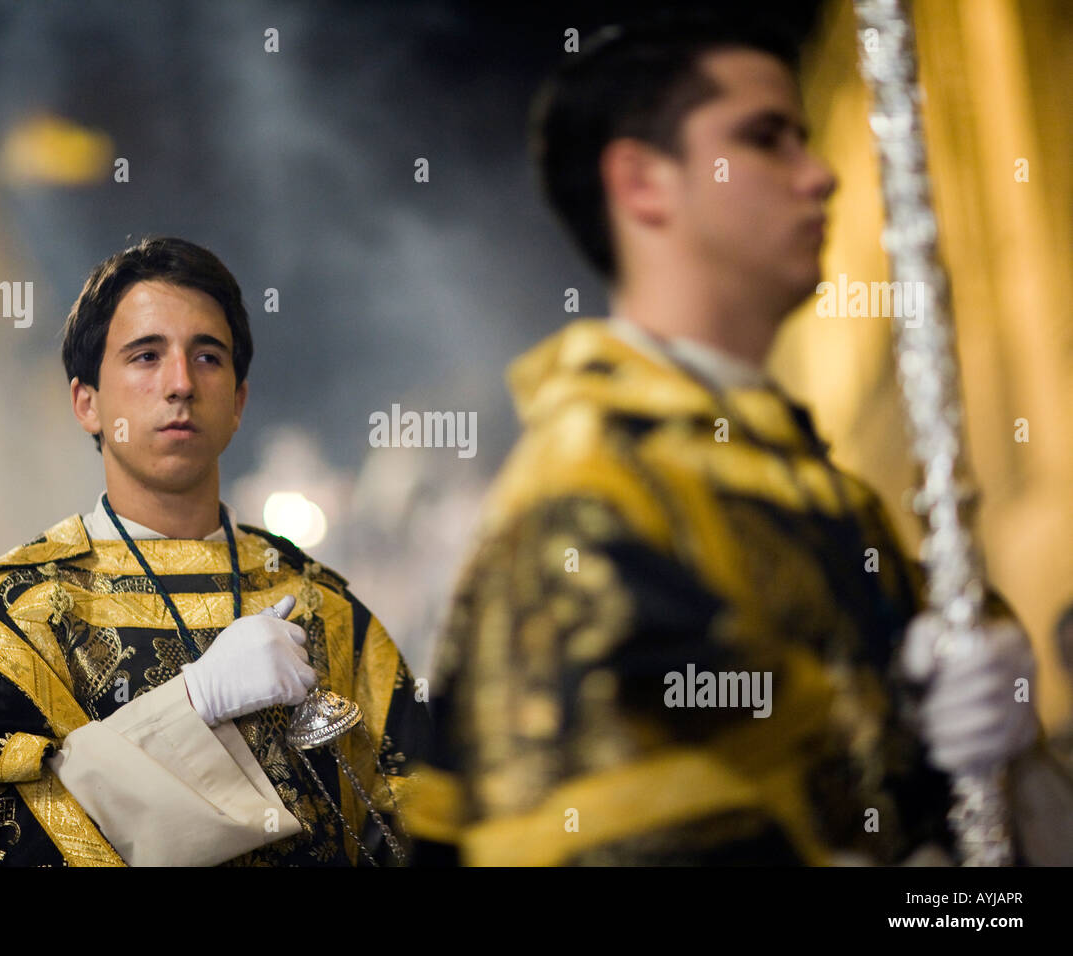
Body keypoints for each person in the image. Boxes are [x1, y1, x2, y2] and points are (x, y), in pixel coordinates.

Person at [402, 12, 1067, 865]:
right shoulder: (586, 507)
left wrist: (1007, 753)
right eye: (767, 140)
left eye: (805, 136)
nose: (820, 176)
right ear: (644, 183)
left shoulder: (831, 496)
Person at [0, 236, 430, 866]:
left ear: (240, 402)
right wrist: (191, 705)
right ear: (88, 403)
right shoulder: (20, 616)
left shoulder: (322, 606)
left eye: (209, 357)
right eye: (145, 356)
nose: (180, 383)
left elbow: (431, 814)